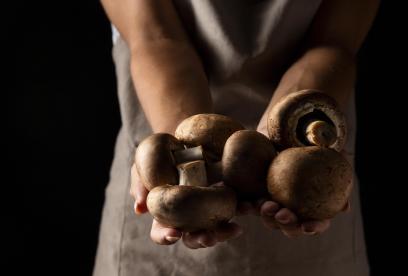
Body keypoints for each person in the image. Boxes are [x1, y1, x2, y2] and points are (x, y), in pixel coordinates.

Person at [93, 0, 379, 275]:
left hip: (307, 170)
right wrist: (188, 156)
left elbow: (335, 41)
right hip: (166, 161)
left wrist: (277, 141)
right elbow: (155, 37)